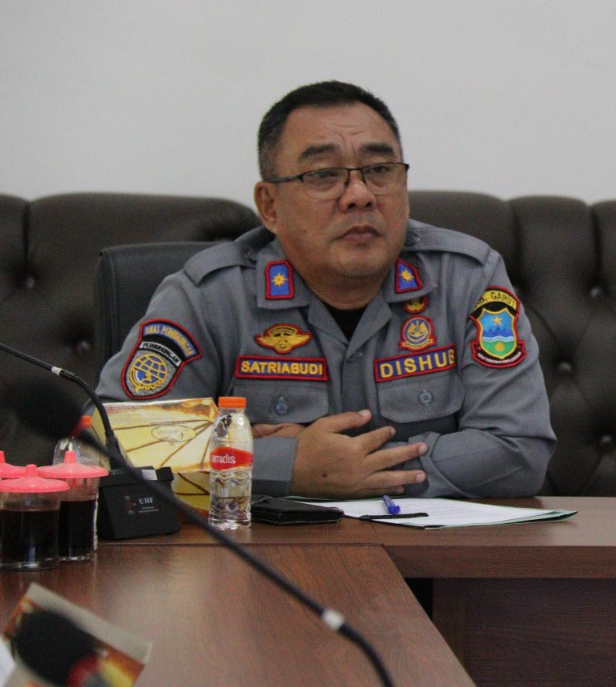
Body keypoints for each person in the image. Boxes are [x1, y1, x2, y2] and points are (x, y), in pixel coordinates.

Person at [97, 81, 555, 499]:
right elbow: (108, 443)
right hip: (264, 557)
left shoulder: (467, 277)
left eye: (380, 169)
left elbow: (520, 450)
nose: (359, 194)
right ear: (270, 206)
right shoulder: (212, 295)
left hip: (434, 556)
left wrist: (348, 470)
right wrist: (286, 467)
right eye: (322, 175)